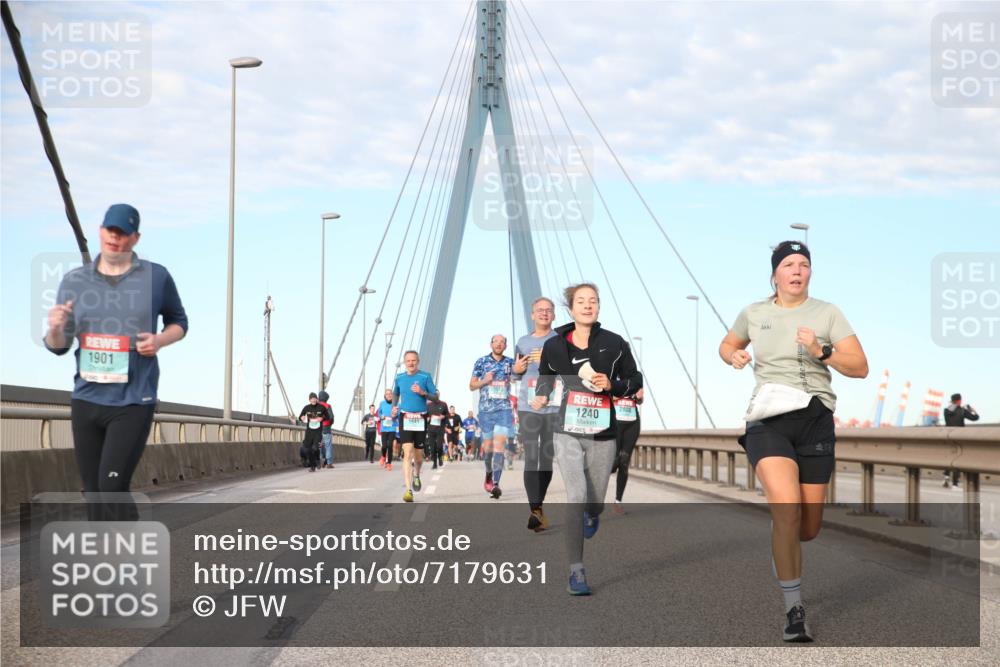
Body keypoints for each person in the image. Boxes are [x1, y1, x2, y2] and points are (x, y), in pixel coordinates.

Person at [718, 240, 868, 642]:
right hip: (769, 420)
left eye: (803, 264)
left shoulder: (827, 312)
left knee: (808, 527)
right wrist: (733, 356)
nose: (797, 270)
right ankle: (794, 609)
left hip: (815, 420)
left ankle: (784, 539)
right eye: (788, 264)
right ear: (775, 274)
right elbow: (728, 344)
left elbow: (860, 367)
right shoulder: (754, 313)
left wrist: (822, 351)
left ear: (810, 272)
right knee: (787, 510)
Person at [44, 203, 188, 511]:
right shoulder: (74, 281)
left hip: (133, 400)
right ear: (100, 231)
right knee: (94, 493)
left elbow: (179, 323)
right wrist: (55, 328)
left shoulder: (156, 277)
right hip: (86, 398)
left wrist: (159, 340)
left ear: (135, 238)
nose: (115, 237)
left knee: (111, 487)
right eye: (110, 230)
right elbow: (58, 346)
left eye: (122, 233)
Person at [532, 283, 641, 596]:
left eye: (593, 301)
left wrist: (613, 385)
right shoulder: (555, 345)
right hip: (566, 430)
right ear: (571, 309)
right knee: (576, 494)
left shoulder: (614, 343)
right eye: (581, 301)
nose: (588, 305)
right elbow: (545, 376)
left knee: (594, 502)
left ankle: (593, 513)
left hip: (603, 433)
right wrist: (541, 395)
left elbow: (635, 379)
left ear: (598, 307)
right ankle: (576, 570)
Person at [512, 296, 560, 531]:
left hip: (554, 406)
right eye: (539, 310)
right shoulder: (523, 342)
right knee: (531, 456)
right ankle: (535, 509)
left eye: (548, 310)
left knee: (546, 457)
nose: (544, 313)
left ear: (554, 315)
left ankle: (538, 506)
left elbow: (570, 370)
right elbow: (515, 375)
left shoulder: (560, 340)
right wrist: (516, 369)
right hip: (528, 406)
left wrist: (550, 361)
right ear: (532, 315)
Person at [470, 335, 515, 499]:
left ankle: (496, 483)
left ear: (506, 345)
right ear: (491, 344)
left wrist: (516, 376)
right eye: (496, 341)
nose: (499, 344)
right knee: (488, 448)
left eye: (502, 342)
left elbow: (518, 377)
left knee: (499, 446)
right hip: (486, 411)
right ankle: (489, 472)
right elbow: (471, 385)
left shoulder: (510, 362)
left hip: (504, 409)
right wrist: (484, 380)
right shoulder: (481, 362)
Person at [392, 351, 438, 502]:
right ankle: (408, 490)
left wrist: (422, 392)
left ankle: (417, 474)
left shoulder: (425, 376)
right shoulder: (399, 377)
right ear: (404, 362)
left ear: (418, 361)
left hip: (420, 418)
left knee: (418, 456)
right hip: (405, 417)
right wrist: (394, 407)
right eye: (408, 361)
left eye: (413, 360)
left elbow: (435, 396)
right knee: (407, 453)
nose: (411, 363)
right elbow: (395, 393)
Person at [611, 387, 644, 514]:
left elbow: (640, 400)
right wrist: (626, 394)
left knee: (624, 462)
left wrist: (638, 398)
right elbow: (607, 396)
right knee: (613, 463)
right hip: (615, 421)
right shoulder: (612, 376)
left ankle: (618, 502)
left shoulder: (635, 378)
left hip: (632, 423)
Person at [942, 393, 980, 487]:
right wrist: (972, 410)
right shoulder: (962, 411)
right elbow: (975, 418)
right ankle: (955, 483)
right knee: (957, 458)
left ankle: (946, 477)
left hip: (948, 436)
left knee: (949, 457)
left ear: (952, 401)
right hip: (959, 437)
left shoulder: (946, 410)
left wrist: (958, 407)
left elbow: (952, 411)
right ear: (959, 400)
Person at [299, 393, 327, 472]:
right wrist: (302, 417)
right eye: (312, 399)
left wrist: (322, 418)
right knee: (307, 449)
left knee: (315, 448)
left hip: (318, 431)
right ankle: (313, 466)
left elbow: (327, 416)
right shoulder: (306, 408)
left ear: (317, 399)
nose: (313, 400)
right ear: (309, 400)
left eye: (314, 398)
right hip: (309, 432)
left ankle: (317, 460)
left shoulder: (321, 407)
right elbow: (300, 416)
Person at [376, 389, 397, 470]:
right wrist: (382, 416)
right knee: (384, 446)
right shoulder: (382, 403)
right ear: (385, 395)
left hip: (392, 428)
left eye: (390, 394)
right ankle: (383, 456)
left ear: (392, 395)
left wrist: (395, 415)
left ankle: (389, 463)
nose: (389, 395)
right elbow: (379, 413)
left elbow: (398, 413)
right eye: (387, 394)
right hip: (384, 428)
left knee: (390, 446)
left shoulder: (395, 403)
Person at [426, 396, 448, 469]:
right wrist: (427, 418)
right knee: (432, 448)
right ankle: (434, 463)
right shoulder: (428, 405)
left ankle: (440, 457)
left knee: (439, 446)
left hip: (440, 429)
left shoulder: (443, 404)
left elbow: (448, 415)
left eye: (437, 394)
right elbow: (425, 415)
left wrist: (443, 416)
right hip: (431, 429)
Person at [318, 390, 335, 468]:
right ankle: (329, 463)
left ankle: (320, 461)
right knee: (328, 446)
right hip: (326, 428)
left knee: (320, 446)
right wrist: (330, 423)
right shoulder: (327, 406)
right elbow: (331, 417)